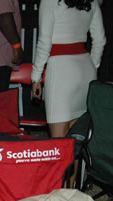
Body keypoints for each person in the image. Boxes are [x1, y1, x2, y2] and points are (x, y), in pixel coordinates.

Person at [31, 0, 106, 138]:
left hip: (61, 69)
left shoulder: (50, 2)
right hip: (86, 69)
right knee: (77, 138)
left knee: (59, 141)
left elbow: (44, 43)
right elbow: (100, 40)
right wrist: (92, 66)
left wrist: (36, 77)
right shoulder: (91, 2)